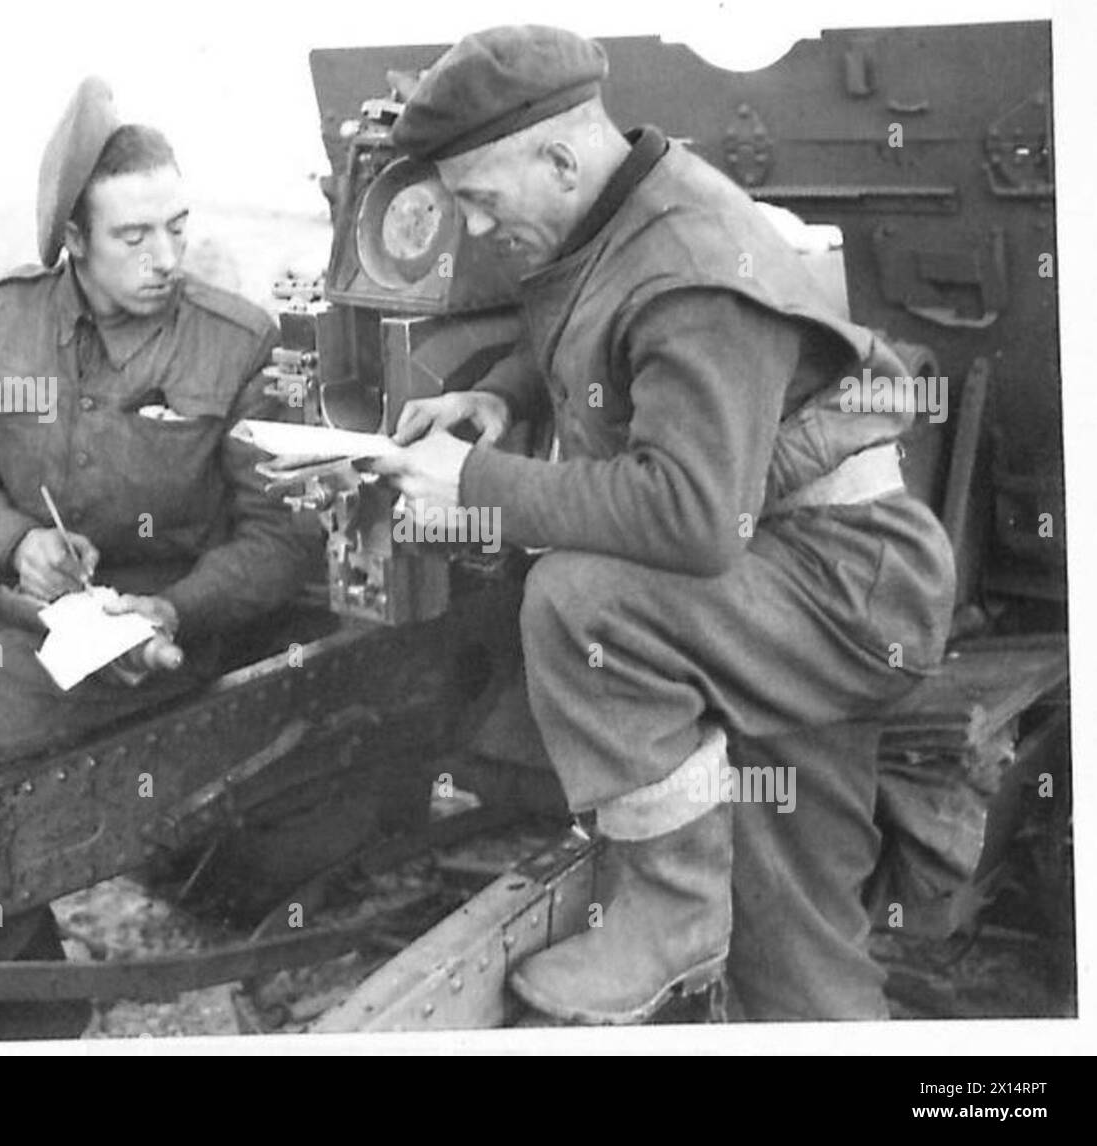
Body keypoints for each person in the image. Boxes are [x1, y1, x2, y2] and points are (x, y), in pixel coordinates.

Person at [374, 26, 956, 1023]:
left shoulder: (689, 262)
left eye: (479, 199)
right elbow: (602, 330)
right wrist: (505, 400)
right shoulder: (622, 206)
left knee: (580, 599)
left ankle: (672, 914)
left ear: (557, 156)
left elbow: (691, 518)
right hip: (770, 581)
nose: (470, 228)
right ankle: (700, 926)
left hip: (839, 590)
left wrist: (475, 482)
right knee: (792, 911)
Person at [0, 77, 320, 1038]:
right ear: (76, 242)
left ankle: (36, 1021)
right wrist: (18, 542)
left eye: (177, 226)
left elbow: (280, 536)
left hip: (149, 635)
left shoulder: (235, 343)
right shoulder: (6, 323)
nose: (167, 256)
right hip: (21, 607)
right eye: (134, 237)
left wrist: (174, 610)